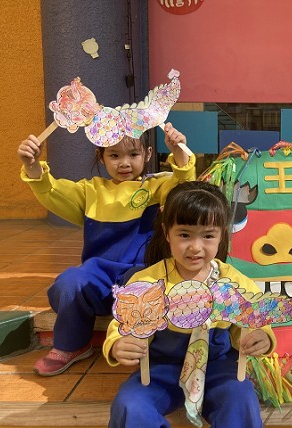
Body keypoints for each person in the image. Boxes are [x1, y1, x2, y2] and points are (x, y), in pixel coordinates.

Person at [17, 123, 195, 376]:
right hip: (98, 278)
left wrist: (178, 152)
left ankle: (150, 349)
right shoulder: (90, 191)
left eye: (133, 154)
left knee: (145, 286)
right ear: (100, 156)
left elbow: (184, 185)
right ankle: (72, 345)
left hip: (142, 275)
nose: (124, 163)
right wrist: (32, 165)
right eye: (114, 155)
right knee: (70, 281)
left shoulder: (158, 187)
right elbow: (50, 189)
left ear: (147, 154)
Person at [103, 180, 275, 428]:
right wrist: (118, 343)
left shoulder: (234, 282)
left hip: (219, 368)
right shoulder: (146, 283)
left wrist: (261, 336)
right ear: (167, 232)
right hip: (160, 370)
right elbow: (123, 325)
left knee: (240, 399)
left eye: (208, 236)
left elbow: (254, 319)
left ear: (221, 235)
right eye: (184, 235)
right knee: (131, 405)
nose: (195, 247)